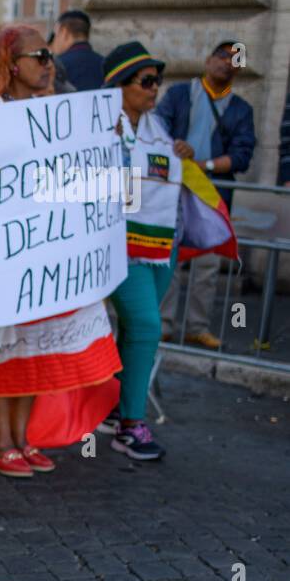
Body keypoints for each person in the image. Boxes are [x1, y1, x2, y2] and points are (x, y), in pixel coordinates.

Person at [0, 24, 122, 478]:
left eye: (51, 56)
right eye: (40, 57)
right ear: (11, 65)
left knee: (33, 353)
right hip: (2, 259)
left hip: (42, 256)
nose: (50, 65)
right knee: (6, 350)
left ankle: (24, 438)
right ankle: (0, 442)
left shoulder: (53, 116)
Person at [156, 38, 256, 348]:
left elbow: (241, 156)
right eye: (223, 55)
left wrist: (203, 164)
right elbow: (158, 129)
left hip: (211, 196)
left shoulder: (241, 109)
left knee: (208, 266)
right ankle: (164, 324)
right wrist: (176, 152)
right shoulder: (179, 95)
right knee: (171, 258)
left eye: (234, 59)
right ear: (208, 59)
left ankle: (197, 327)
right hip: (173, 191)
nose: (227, 62)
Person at [100, 42, 173, 460]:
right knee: (146, 324)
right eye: (147, 81)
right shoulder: (98, 127)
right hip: (118, 245)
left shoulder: (157, 127)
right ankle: (131, 426)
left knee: (133, 329)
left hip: (160, 244)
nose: (155, 88)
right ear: (119, 85)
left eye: (158, 81)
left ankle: (116, 408)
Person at [51, 10, 103, 92]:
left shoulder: (54, 66)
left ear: (64, 32)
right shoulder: (105, 63)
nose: (53, 42)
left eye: (55, 35)